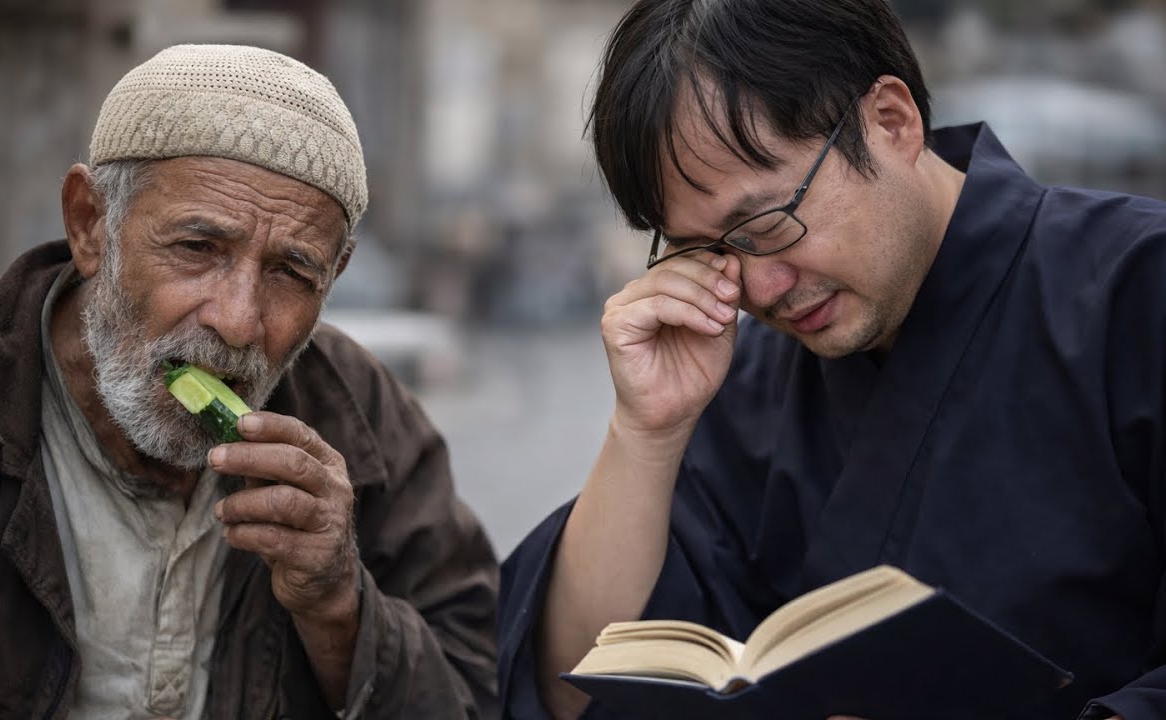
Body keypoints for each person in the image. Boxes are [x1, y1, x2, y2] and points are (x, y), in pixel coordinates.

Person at [497, 1, 1164, 718]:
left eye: (769, 223)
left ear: (890, 121)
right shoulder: (748, 377)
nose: (759, 287)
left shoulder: (1137, 285)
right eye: (706, 249)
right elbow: (574, 685)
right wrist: (645, 432)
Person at [0, 44, 497, 719]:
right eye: (197, 248)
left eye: (291, 272)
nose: (238, 323)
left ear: (335, 276)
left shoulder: (362, 416)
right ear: (90, 223)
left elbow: (473, 694)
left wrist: (339, 607)